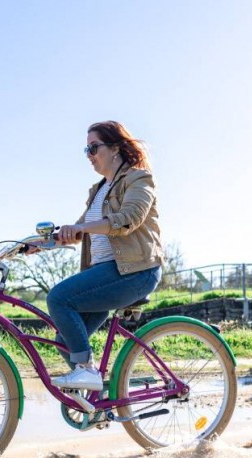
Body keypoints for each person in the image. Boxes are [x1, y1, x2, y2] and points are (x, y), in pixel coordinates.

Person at [47, 121, 165, 391]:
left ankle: (86, 371)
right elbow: (78, 232)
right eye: (86, 149)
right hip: (104, 274)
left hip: (134, 271)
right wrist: (36, 244)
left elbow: (128, 219)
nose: (89, 155)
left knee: (59, 298)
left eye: (93, 147)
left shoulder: (139, 178)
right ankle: (102, 396)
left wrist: (80, 227)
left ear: (114, 147)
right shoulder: (99, 190)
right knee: (65, 341)